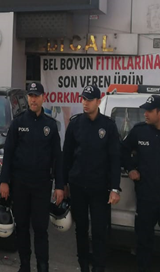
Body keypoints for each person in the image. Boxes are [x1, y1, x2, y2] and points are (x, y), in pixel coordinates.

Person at [0, 82, 64, 272]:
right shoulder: (18, 123)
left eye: (36, 96)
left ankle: (43, 266)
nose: (33, 100)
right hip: (20, 183)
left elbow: (57, 158)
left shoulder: (50, 125)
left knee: (41, 229)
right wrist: (4, 181)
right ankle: (24, 265)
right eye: (31, 96)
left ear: (44, 98)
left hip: (42, 185)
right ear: (27, 98)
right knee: (21, 227)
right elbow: (8, 153)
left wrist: (60, 185)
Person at [63, 85, 121, 272]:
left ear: (98, 101)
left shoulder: (108, 126)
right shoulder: (75, 124)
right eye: (83, 99)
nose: (85, 103)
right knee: (81, 229)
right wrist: (62, 184)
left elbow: (115, 158)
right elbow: (66, 156)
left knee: (99, 231)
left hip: (99, 188)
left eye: (89, 100)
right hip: (78, 186)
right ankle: (83, 266)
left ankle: (98, 267)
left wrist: (115, 188)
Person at [122, 94, 160, 272]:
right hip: (146, 200)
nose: (145, 114)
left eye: (149, 111)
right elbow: (122, 151)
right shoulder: (139, 131)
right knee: (143, 244)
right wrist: (130, 168)